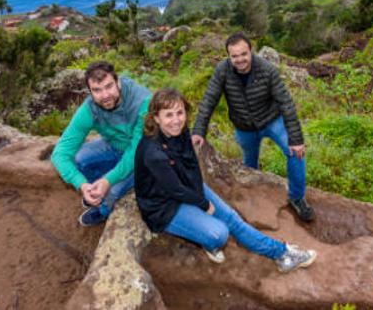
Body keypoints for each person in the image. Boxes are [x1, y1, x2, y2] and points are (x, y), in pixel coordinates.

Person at [135, 87, 317, 272]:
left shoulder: (180, 132)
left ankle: (281, 253)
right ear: (156, 118)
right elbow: (175, 190)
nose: (176, 120)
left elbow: (192, 167)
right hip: (164, 208)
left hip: (187, 187)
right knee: (219, 234)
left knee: (232, 219)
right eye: (169, 115)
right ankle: (206, 239)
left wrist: (200, 194)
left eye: (180, 113)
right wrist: (204, 204)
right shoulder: (153, 152)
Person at [192, 33, 314, 221]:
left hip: (272, 120)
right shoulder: (222, 71)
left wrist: (296, 140)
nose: (240, 59)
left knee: (296, 153)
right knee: (250, 164)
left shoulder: (267, 70)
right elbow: (209, 100)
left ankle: (297, 198)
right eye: (234, 56)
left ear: (251, 51)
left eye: (243, 54)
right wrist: (199, 131)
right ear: (228, 56)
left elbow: (286, 103)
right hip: (244, 127)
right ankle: (255, 196)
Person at [51, 61, 151, 226]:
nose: (105, 95)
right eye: (97, 90)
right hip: (113, 145)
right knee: (79, 159)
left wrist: (108, 181)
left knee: (112, 190)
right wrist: (82, 185)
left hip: (142, 155)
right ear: (89, 92)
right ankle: (94, 192)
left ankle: (103, 209)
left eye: (109, 86)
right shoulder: (90, 109)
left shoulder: (142, 101)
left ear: (118, 82)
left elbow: (136, 151)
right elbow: (60, 154)